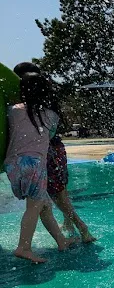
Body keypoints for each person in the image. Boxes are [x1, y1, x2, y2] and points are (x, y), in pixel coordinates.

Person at [14, 63, 95, 244]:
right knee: (60, 193)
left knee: (55, 196)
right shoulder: (47, 99)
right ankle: (68, 224)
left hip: (45, 153)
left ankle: (81, 227)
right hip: (56, 149)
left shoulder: (24, 106)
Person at [4, 72, 76, 263]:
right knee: (34, 207)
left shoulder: (13, 111)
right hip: (34, 164)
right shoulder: (50, 115)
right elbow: (50, 136)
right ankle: (23, 247)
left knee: (44, 205)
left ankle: (61, 242)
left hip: (12, 165)